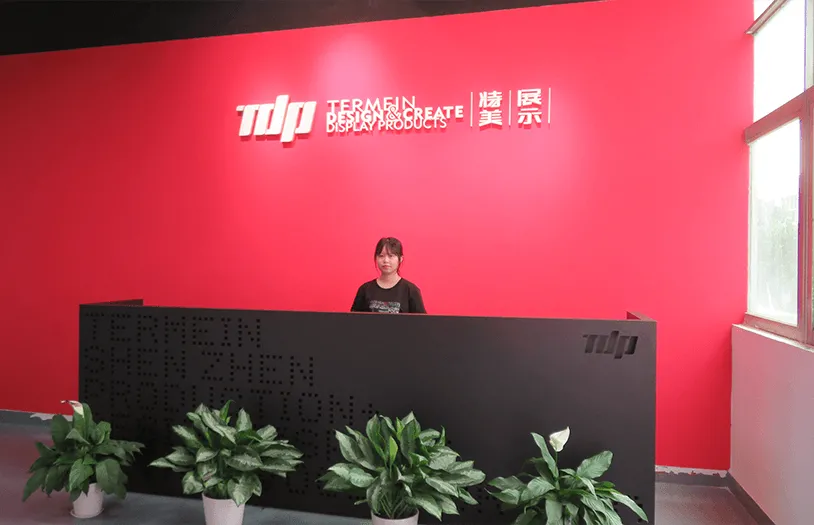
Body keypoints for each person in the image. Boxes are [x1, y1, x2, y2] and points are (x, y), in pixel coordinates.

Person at [351, 237, 427, 314]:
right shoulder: (365, 289)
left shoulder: (411, 290)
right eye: (381, 256)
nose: (386, 260)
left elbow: (421, 320)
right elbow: (353, 319)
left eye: (391, 256)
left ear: (400, 259)